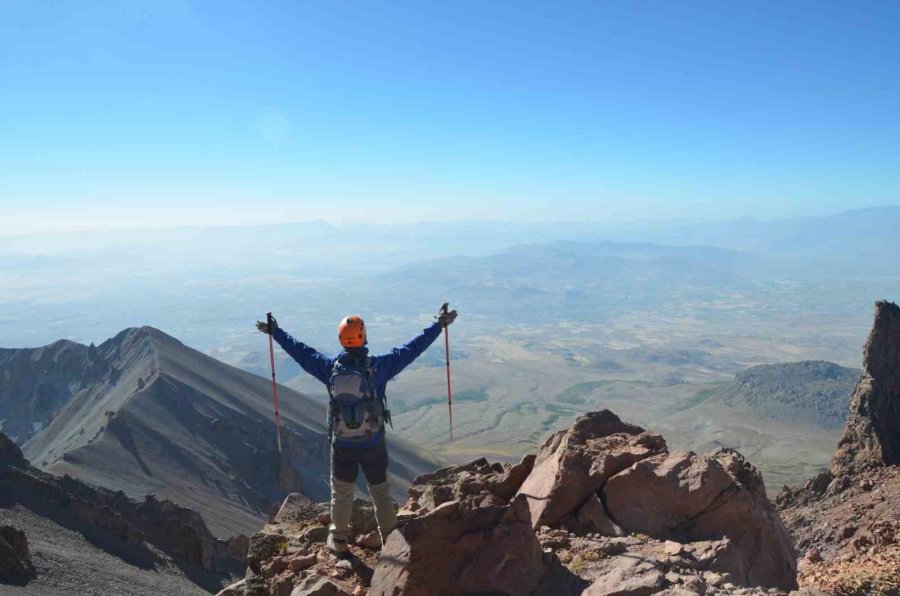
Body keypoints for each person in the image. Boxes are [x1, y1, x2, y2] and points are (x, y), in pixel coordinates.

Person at [256, 306, 458, 554]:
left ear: (341, 339)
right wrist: (439, 325)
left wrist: (276, 332)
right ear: (363, 336)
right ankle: (390, 538)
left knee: (341, 492)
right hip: (373, 442)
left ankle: (339, 540)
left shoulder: (330, 368)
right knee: (380, 490)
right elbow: (412, 348)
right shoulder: (380, 366)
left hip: (342, 445)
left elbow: (302, 352)